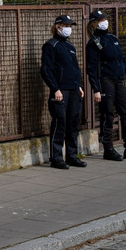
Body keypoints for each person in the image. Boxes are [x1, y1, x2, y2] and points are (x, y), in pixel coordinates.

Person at [85, 10, 126, 161]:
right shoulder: (94, 43)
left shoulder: (112, 38)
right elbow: (91, 68)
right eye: (100, 20)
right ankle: (108, 148)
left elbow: (122, 60)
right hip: (105, 80)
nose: (104, 21)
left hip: (118, 80)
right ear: (93, 23)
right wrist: (96, 89)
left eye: (105, 18)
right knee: (107, 114)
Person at [40, 14, 86, 169]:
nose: (68, 29)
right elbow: (46, 70)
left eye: (70, 26)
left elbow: (75, 69)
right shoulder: (50, 45)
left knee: (73, 124)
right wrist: (55, 89)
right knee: (60, 123)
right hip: (60, 91)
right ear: (58, 26)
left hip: (73, 90)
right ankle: (56, 158)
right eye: (66, 26)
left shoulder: (70, 47)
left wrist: (78, 86)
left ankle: (72, 156)